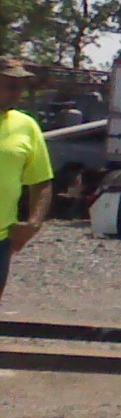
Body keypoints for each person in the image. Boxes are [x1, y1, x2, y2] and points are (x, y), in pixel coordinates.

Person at [0, 58, 52, 303]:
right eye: (10, 85)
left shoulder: (26, 126)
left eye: (20, 86)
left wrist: (33, 223)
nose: (17, 93)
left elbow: (41, 181)